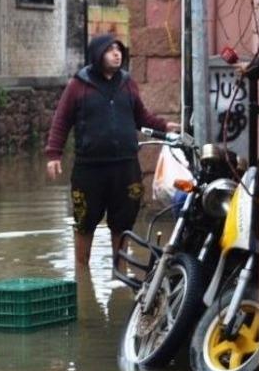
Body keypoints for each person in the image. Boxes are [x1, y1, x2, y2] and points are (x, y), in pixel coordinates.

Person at [45, 34, 180, 271]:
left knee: (122, 222)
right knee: (85, 221)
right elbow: (61, 120)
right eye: (110, 50)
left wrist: (163, 126)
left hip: (125, 167)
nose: (117, 54)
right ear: (98, 55)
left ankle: (120, 272)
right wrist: (54, 154)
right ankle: (82, 274)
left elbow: (141, 116)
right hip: (89, 169)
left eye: (119, 50)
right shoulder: (78, 86)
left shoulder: (127, 83)